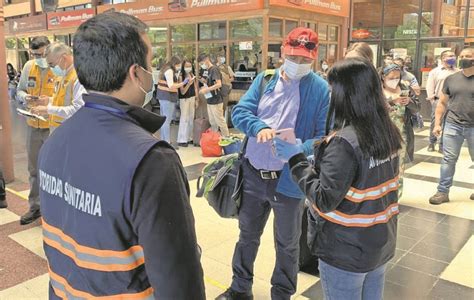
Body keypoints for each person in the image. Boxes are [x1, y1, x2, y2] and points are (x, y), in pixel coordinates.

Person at [38, 12, 205, 299]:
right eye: (150, 63)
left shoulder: (55, 141)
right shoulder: (151, 160)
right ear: (135, 73)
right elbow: (177, 278)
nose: (151, 71)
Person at [273, 58, 403, 300]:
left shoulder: (345, 142)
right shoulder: (386, 131)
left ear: (347, 94)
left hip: (346, 250)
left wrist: (295, 159)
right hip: (379, 241)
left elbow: (324, 198)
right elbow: (361, 177)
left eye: (333, 90)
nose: (331, 96)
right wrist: (321, 156)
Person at [216, 27, 329, 300]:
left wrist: (296, 148)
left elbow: (323, 137)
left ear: (313, 57)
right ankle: (240, 288)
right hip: (254, 173)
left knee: (288, 245)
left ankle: (282, 294)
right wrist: (258, 126)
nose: (298, 64)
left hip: (289, 181)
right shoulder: (265, 80)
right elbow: (241, 111)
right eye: (294, 57)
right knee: (247, 236)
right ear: (283, 53)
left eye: (304, 59)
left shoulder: (321, 89)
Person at [16, 36, 56, 225]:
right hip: (33, 126)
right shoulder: (28, 67)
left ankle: (55, 210)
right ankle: (35, 207)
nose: (38, 57)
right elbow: (20, 91)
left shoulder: (57, 68)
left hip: (53, 128)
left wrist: (48, 102)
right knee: (33, 170)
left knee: (54, 170)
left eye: (41, 54)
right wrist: (26, 98)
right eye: (35, 54)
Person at [429, 48, 474, 205]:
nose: (463, 59)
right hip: (453, 124)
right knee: (448, 159)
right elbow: (442, 102)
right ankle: (442, 191)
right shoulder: (451, 79)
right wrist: (437, 123)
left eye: (468, 56)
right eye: (461, 56)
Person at [381, 64, 420, 197]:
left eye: (397, 77)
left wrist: (409, 101)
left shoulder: (405, 88)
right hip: (382, 135)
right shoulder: (376, 90)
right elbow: (373, 109)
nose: (395, 80)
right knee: (382, 167)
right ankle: (382, 195)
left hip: (402, 135)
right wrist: (392, 101)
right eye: (391, 78)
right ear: (383, 76)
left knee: (398, 168)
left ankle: (396, 197)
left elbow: (417, 107)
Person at [30, 42, 86, 133]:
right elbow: (64, 101)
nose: (51, 68)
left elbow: (78, 109)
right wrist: (49, 100)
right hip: (58, 130)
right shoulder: (62, 75)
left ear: (64, 58)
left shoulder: (78, 78)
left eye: (52, 65)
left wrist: (48, 109)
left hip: (71, 131)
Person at [426, 50, 458, 152]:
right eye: (450, 56)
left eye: (453, 56)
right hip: (438, 100)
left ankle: (442, 145)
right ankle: (432, 142)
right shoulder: (435, 72)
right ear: (443, 58)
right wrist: (433, 101)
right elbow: (430, 87)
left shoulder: (458, 71)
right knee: (435, 122)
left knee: (448, 123)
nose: (453, 58)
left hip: (453, 101)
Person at [156, 56, 187, 145]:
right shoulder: (169, 71)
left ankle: (163, 140)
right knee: (167, 120)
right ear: (175, 63)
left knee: (164, 120)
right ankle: (167, 142)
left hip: (163, 97)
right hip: (167, 97)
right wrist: (183, 83)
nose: (179, 66)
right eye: (179, 64)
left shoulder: (165, 69)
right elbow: (171, 86)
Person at [198, 53, 230, 137]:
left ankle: (226, 138)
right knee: (213, 122)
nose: (202, 65)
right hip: (210, 100)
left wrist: (206, 89)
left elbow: (218, 84)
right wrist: (204, 83)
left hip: (216, 100)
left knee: (220, 121)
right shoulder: (208, 70)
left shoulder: (214, 69)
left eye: (202, 63)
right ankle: (214, 139)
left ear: (206, 60)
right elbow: (212, 83)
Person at [177, 59, 198, 147]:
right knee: (184, 118)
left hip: (192, 98)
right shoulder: (181, 76)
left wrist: (197, 99)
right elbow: (182, 91)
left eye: (190, 66)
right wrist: (188, 84)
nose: (188, 68)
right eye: (186, 66)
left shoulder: (192, 74)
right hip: (184, 99)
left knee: (191, 118)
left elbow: (196, 87)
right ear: (183, 67)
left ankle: (190, 138)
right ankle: (182, 139)